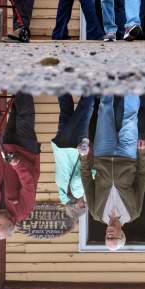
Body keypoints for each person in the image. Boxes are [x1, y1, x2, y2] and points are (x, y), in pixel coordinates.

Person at [81, 95, 145, 251]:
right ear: (121, 234)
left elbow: (86, 180)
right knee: (130, 118)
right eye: (113, 237)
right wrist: (142, 154)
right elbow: (142, 178)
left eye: (107, 237)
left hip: (102, 154)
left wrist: (84, 158)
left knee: (105, 108)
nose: (109, 234)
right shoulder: (133, 212)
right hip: (128, 156)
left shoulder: (96, 213)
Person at [0, 93, 41, 240]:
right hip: (25, 151)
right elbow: (28, 183)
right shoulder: (23, 210)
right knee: (24, 112)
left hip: (7, 149)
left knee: (15, 110)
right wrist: (17, 164)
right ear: (10, 223)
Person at [50, 93, 95, 221]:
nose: (85, 203)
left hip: (74, 146)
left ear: (77, 206)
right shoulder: (62, 189)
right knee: (66, 110)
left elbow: (79, 178)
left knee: (85, 110)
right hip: (60, 145)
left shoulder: (77, 192)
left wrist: (95, 174)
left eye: (83, 206)